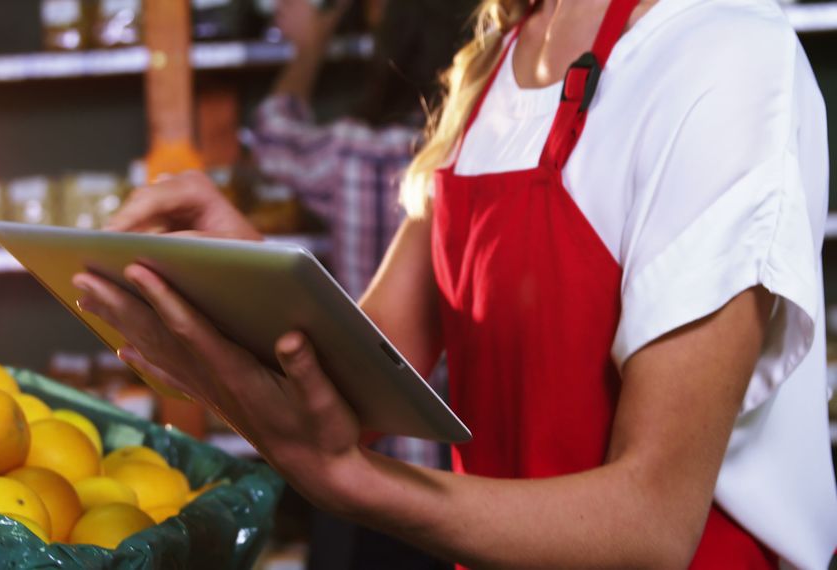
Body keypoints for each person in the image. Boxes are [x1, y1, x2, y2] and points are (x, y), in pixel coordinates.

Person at [76, 0, 837, 566]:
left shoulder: (720, 53)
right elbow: (358, 388)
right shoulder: (493, 66)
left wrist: (357, 486)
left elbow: (653, 525)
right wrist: (237, 280)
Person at [249, 1, 470, 566]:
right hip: (459, 467)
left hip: (359, 444)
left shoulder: (351, 148)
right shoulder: (471, 153)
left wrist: (312, 44)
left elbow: (273, 131)